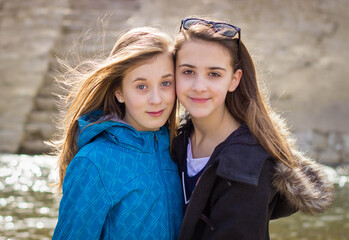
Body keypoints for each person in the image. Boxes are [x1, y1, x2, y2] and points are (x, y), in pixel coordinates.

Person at [172, 17, 334, 240]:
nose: (199, 86)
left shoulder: (248, 164)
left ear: (234, 80)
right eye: (188, 72)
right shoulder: (174, 140)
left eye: (214, 74)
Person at [51, 27, 183, 239]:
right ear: (119, 92)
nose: (157, 99)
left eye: (166, 83)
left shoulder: (181, 148)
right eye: (141, 86)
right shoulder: (94, 162)